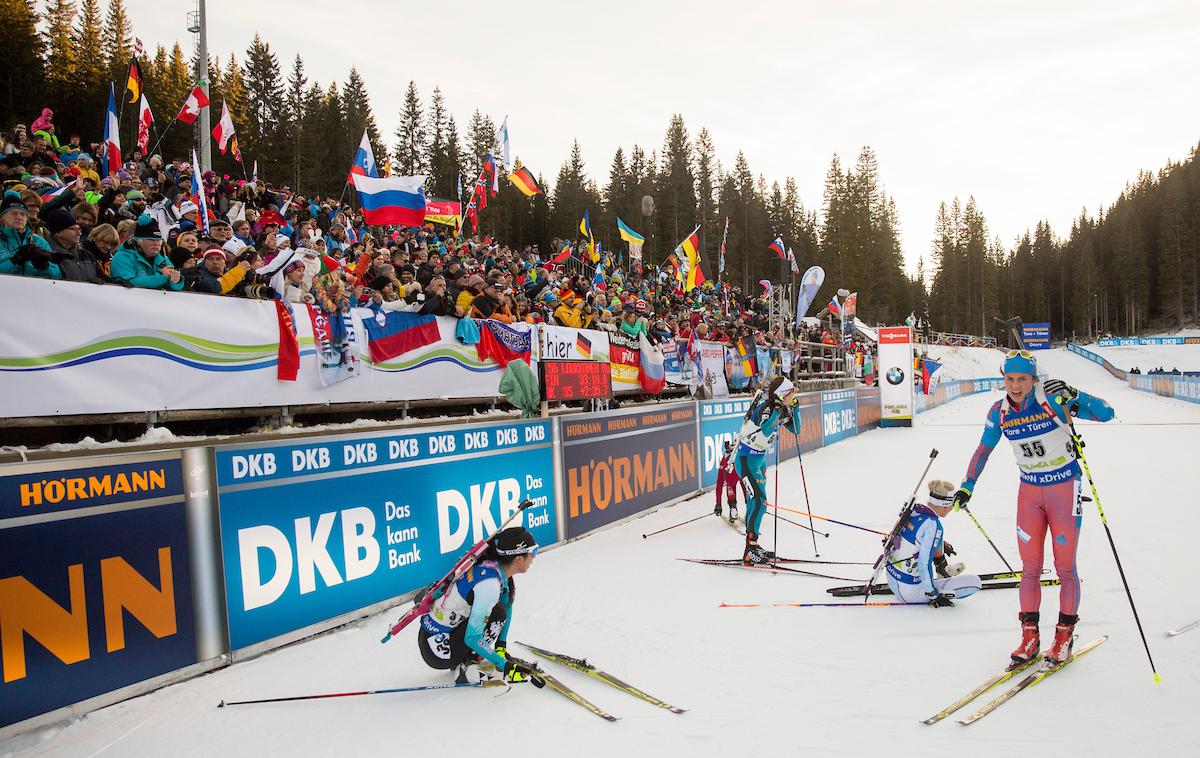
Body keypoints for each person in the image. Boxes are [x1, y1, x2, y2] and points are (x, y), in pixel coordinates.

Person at [952, 350, 1114, 663]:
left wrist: (1074, 394)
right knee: (1029, 569)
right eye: (1009, 379)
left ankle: (1063, 637)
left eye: (1022, 379)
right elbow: (983, 450)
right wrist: (967, 485)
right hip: (1030, 492)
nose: (1015, 385)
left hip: (1064, 487)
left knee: (1065, 568)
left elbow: (1107, 412)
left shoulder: (1052, 400)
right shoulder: (998, 411)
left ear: (1033, 378)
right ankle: (1029, 638)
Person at [417, 526, 542, 684]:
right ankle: (466, 668)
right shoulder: (489, 586)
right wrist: (505, 666)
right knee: (497, 614)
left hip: (433, 636)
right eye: (534, 552)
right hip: (438, 650)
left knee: (499, 611)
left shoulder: (493, 568)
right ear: (518, 558)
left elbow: (507, 605)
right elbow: (472, 638)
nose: (534, 558)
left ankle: (468, 657)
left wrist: (500, 648)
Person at [728, 376, 800, 564]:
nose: (793, 394)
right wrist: (777, 411)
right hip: (745, 459)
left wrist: (796, 409)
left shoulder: (780, 408)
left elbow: (796, 429)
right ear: (781, 394)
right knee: (760, 502)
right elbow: (767, 430)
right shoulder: (766, 408)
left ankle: (752, 546)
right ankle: (750, 547)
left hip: (759, 460)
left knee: (755, 503)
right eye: (791, 391)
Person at [885, 480, 981, 606]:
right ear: (946, 505)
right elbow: (923, 563)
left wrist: (941, 544)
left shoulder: (915, 511)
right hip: (910, 592)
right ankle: (936, 581)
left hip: (893, 581)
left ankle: (943, 570)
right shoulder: (933, 525)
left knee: (937, 538)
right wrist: (933, 595)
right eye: (952, 506)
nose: (952, 509)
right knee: (975, 582)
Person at [109, 214, 183, 291]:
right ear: (139, 241)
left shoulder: (162, 258)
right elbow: (127, 284)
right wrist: (161, 276)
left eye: (159, 240)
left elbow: (173, 289)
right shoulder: (122, 257)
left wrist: (176, 281)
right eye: (151, 240)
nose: (156, 243)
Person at [714, 440, 739, 518]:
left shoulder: (736, 460)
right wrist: (718, 504)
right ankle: (733, 508)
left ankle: (734, 508)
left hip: (737, 471)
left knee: (731, 485)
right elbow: (719, 484)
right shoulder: (723, 464)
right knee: (730, 485)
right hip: (729, 472)